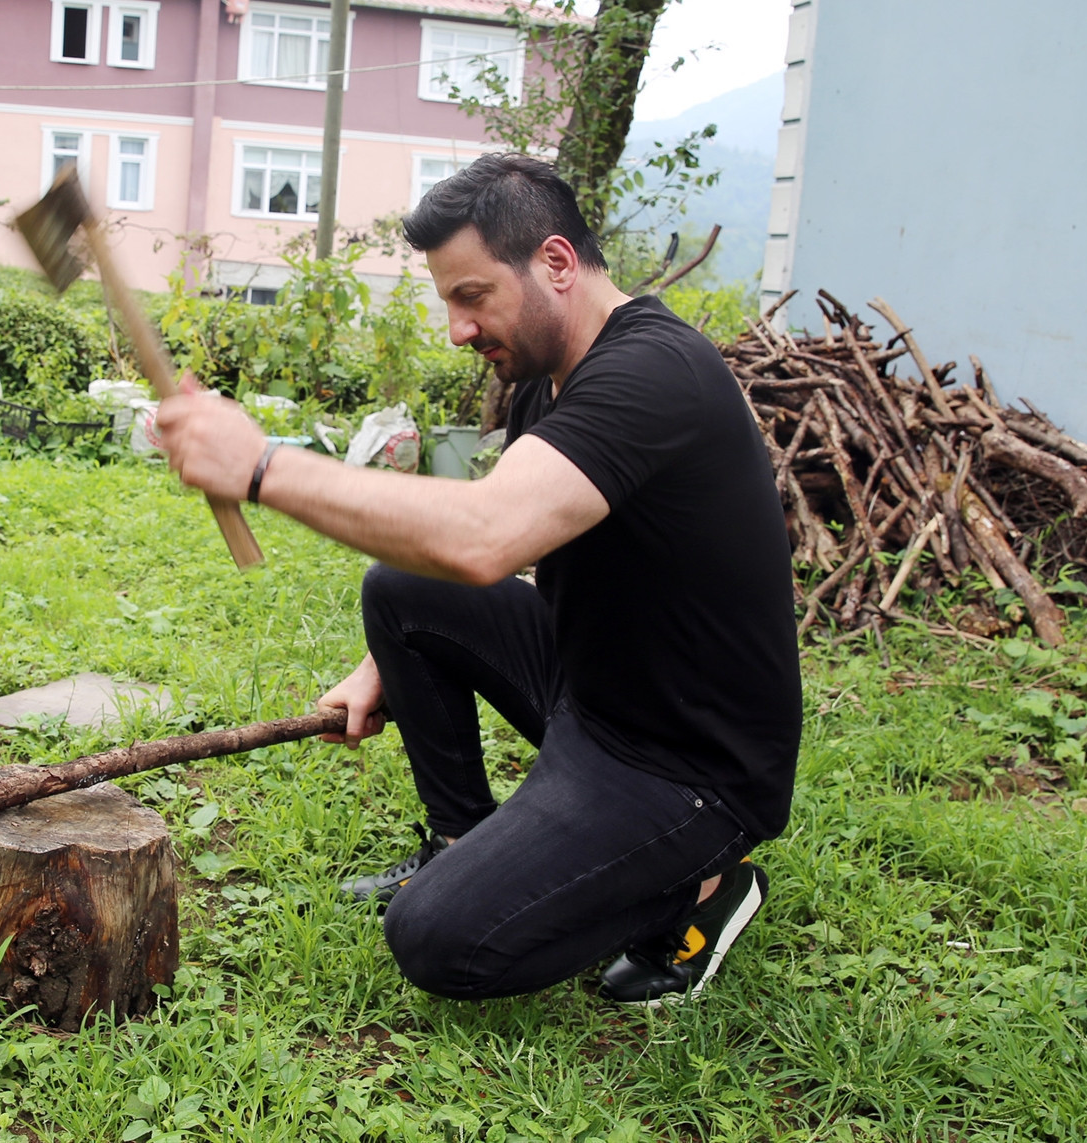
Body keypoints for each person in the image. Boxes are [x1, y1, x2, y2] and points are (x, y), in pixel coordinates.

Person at [154, 154, 802, 1005]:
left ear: (556, 263)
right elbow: (513, 541)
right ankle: (460, 839)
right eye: (449, 303)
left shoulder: (654, 375)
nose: (459, 330)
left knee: (438, 937)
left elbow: (486, 537)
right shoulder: (550, 379)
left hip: (688, 762)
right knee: (403, 590)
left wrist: (261, 465)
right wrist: (384, 665)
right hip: (599, 691)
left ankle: (705, 887)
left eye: (472, 296)